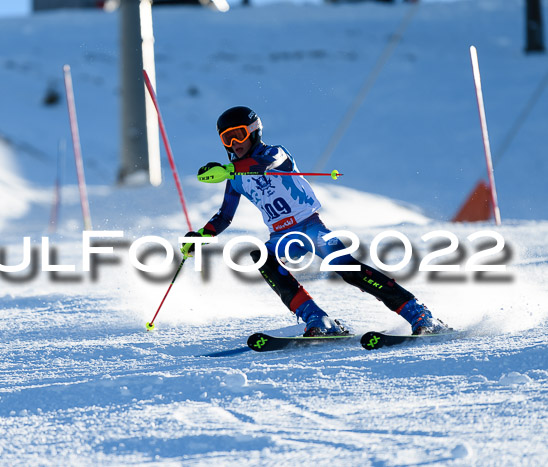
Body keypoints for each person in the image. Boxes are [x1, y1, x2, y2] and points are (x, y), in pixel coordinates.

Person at [181, 106, 448, 336]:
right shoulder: (235, 177)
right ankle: (318, 319)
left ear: (253, 131)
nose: (234, 143)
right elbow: (225, 216)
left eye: (238, 134)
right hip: (281, 237)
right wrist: (201, 236)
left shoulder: (276, 154)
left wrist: (228, 168)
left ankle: (420, 315)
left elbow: (265, 163)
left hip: (310, 226)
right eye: (227, 139)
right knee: (262, 257)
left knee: (347, 269)